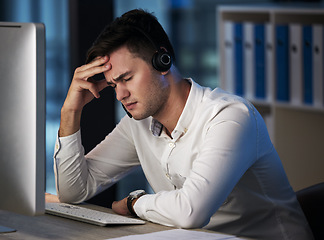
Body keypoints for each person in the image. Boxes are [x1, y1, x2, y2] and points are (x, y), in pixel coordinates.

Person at [53, 9, 313, 240]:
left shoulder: (229, 117)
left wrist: (134, 203)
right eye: (113, 85)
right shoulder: (138, 124)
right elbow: (72, 191)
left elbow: (191, 212)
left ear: (162, 61)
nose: (120, 95)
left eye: (127, 78)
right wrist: (70, 111)